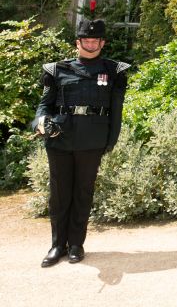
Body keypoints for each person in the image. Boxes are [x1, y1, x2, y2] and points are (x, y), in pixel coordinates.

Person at [32, 18, 129, 267]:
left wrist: (111, 140)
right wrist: (41, 122)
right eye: (86, 40)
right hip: (60, 138)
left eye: (95, 40)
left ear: (102, 42)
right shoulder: (56, 70)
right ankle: (57, 245)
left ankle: (76, 244)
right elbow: (44, 105)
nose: (90, 44)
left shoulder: (115, 71)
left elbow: (116, 110)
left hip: (92, 139)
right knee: (59, 194)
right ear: (78, 42)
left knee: (83, 193)